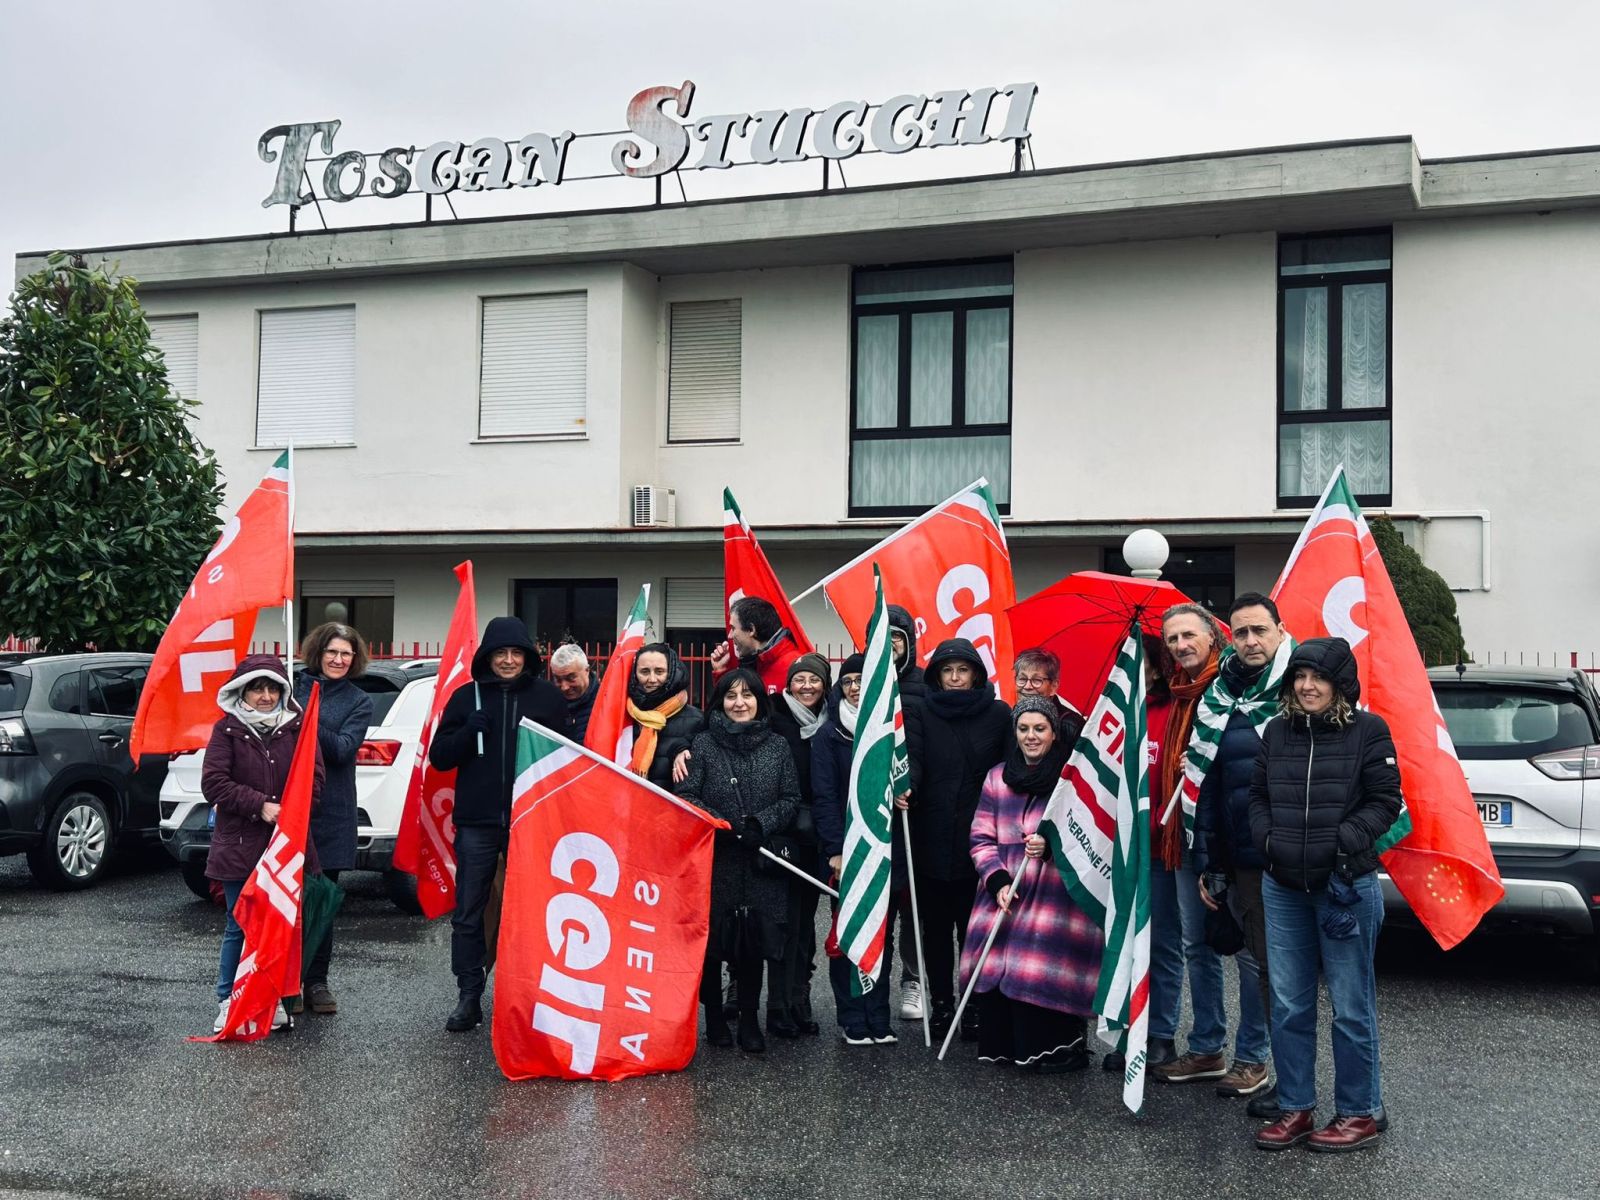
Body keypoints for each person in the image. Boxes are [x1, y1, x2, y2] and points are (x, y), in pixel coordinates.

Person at [1250, 638, 1401, 1153]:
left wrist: (1343, 843)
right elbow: (1257, 797)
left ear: (1340, 683)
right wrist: (1268, 841)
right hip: (1284, 888)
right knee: (1290, 1005)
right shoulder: (1276, 731)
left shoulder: (1369, 731)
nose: (1307, 686)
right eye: (1299, 676)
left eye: (1318, 677)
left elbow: (1386, 802)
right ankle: (1295, 1108)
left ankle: (1358, 1112)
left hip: (1346, 889)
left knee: (1351, 1008)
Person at [1179, 592, 1296, 1110]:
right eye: (1241, 632)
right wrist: (1210, 861)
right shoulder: (1218, 694)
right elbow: (1207, 781)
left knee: (1268, 968)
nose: (1250, 641)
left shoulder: (1299, 687)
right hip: (1238, 854)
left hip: (1287, 855)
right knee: (1249, 955)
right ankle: (1234, 1056)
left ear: (1279, 630)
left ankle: (1260, 1060)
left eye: (1259, 631)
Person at [428, 617, 566, 1033]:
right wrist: (468, 733)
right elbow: (440, 757)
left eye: (515, 653)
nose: (508, 661)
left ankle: (530, 997)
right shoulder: (465, 697)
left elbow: (565, 758)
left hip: (531, 821)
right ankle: (469, 995)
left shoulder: (548, 698)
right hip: (477, 824)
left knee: (535, 912)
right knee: (469, 911)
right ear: (487, 657)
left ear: (527, 657)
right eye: (500, 654)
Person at [960, 697, 1102, 1071]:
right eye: (1024, 729)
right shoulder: (997, 777)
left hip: (1054, 895)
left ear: (1054, 734)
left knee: (1036, 962)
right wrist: (998, 881)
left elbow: (1090, 837)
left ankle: (1056, 1049)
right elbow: (980, 836)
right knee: (996, 966)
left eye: (1040, 728)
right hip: (1005, 891)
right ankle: (1005, 1046)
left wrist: (1052, 845)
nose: (1031, 736)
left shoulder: (1069, 782)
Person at [1147, 603, 1253, 1090]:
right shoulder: (1177, 693)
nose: (1180, 645)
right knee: (1196, 943)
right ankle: (1208, 1047)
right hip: (1184, 836)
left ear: (1214, 638)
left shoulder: (1231, 687)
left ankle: (1253, 1055)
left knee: (1249, 951)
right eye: (1172, 639)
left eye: (1188, 635)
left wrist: (1210, 753)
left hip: (1230, 838)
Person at [675, 668, 800, 1054]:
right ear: (720, 701)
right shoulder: (703, 744)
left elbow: (791, 797)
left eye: (747, 695)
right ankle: (714, 1016)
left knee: (753, 945)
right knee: (714, 945)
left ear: (760, 700)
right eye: (731, 696)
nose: (739, 703)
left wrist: (759, 824)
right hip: (716, 858)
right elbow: (687, 794)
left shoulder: (778, 746)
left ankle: (749, 1018)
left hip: (759, 860)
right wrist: (724, 825)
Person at [202, 654, 324, 1034]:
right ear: (243, 691)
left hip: (286, 848)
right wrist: (261, 806)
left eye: (273, 688)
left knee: (282, 926)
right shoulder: (227, 730)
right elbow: (214, 783)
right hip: (240, 845)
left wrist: (294, 809)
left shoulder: (297, 729)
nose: (266, 696)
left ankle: (273, 1000)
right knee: (240, 925)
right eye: (258, 688)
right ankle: (228, 1000)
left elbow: (314, 779)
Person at [903, 638, 1012, 1038]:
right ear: (937, 676)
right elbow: (913, 759)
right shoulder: (921, 712)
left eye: (962, 670)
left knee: (975, 930)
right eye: (947, 671)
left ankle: (974, 1004)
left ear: (976, 674)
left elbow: (1008, 770)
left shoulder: (1000, 714)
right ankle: (942, 1004)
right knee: (934, 932)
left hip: (980, 840)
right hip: (930, 836)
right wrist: (906, 787)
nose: (954, 678)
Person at [811, 653, 900, 1045]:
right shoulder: (828, 735)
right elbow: (825, 797)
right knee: (848, 935)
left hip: (884, 849)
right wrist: (834, 850)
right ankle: (852, 1017)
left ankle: (878, 1015)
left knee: (882, 933)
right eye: (847, 681)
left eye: (862, 680)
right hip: (847, 852)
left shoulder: (890, 732)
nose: (854, 687)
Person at [292, 622, 374, 1017]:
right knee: (287, 900)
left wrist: (308, 716)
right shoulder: (289, 687)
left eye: (346, 654)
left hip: (332, 811)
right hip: (288, 809)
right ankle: (286, 978)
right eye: (332, 652)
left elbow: (343, 749)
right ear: (318, 653)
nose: (339, 660)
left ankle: (317, 982)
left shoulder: (359, 700)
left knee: (321, 900)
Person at [766, 652, 832, 1038]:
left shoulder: (836, 721)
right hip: (781, 833)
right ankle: (776, 1003)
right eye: (800, 679)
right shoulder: (774, 718)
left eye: (814, 679)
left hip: (817, 835)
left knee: (805, 922)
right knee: (780, 920)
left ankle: (799, 998)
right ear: (788, 683)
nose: (806, 686)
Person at [886, 603, 927, 1020]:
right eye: (884, 638)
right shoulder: (862, 683)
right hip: (873, 816)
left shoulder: (922, 686)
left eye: (898, 638)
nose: (891, 646)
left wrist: (910, 782)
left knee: (913, 904)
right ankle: (873, 981)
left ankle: (912, 980)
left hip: (913, 812)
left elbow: (923, 745)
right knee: (880, 905)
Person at [627, 642, 705, 790]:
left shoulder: (697, 720)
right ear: (634, 675)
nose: (652, 679)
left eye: (659, 671)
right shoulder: (623, 717)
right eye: (644, 671)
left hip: (673, 809)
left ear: (672, 673)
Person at [708, 596, 803, 694]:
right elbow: (733, 706)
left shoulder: (796, 668)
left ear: (751, 630)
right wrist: (722, 672)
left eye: (733, 628)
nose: (730, 636)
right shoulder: (755, 663)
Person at [1013, 647, 1086, 745]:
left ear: (1053, 686)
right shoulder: (1010, 717)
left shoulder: (1072, 726)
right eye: (1022, 679)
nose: (1027, 686)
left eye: (1036, 680)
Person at [549, 643, 597, 742]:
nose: (564, 687)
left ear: (587, 671)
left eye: (571, 678)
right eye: (558, 679)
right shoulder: (548, 703)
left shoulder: (606, 703)